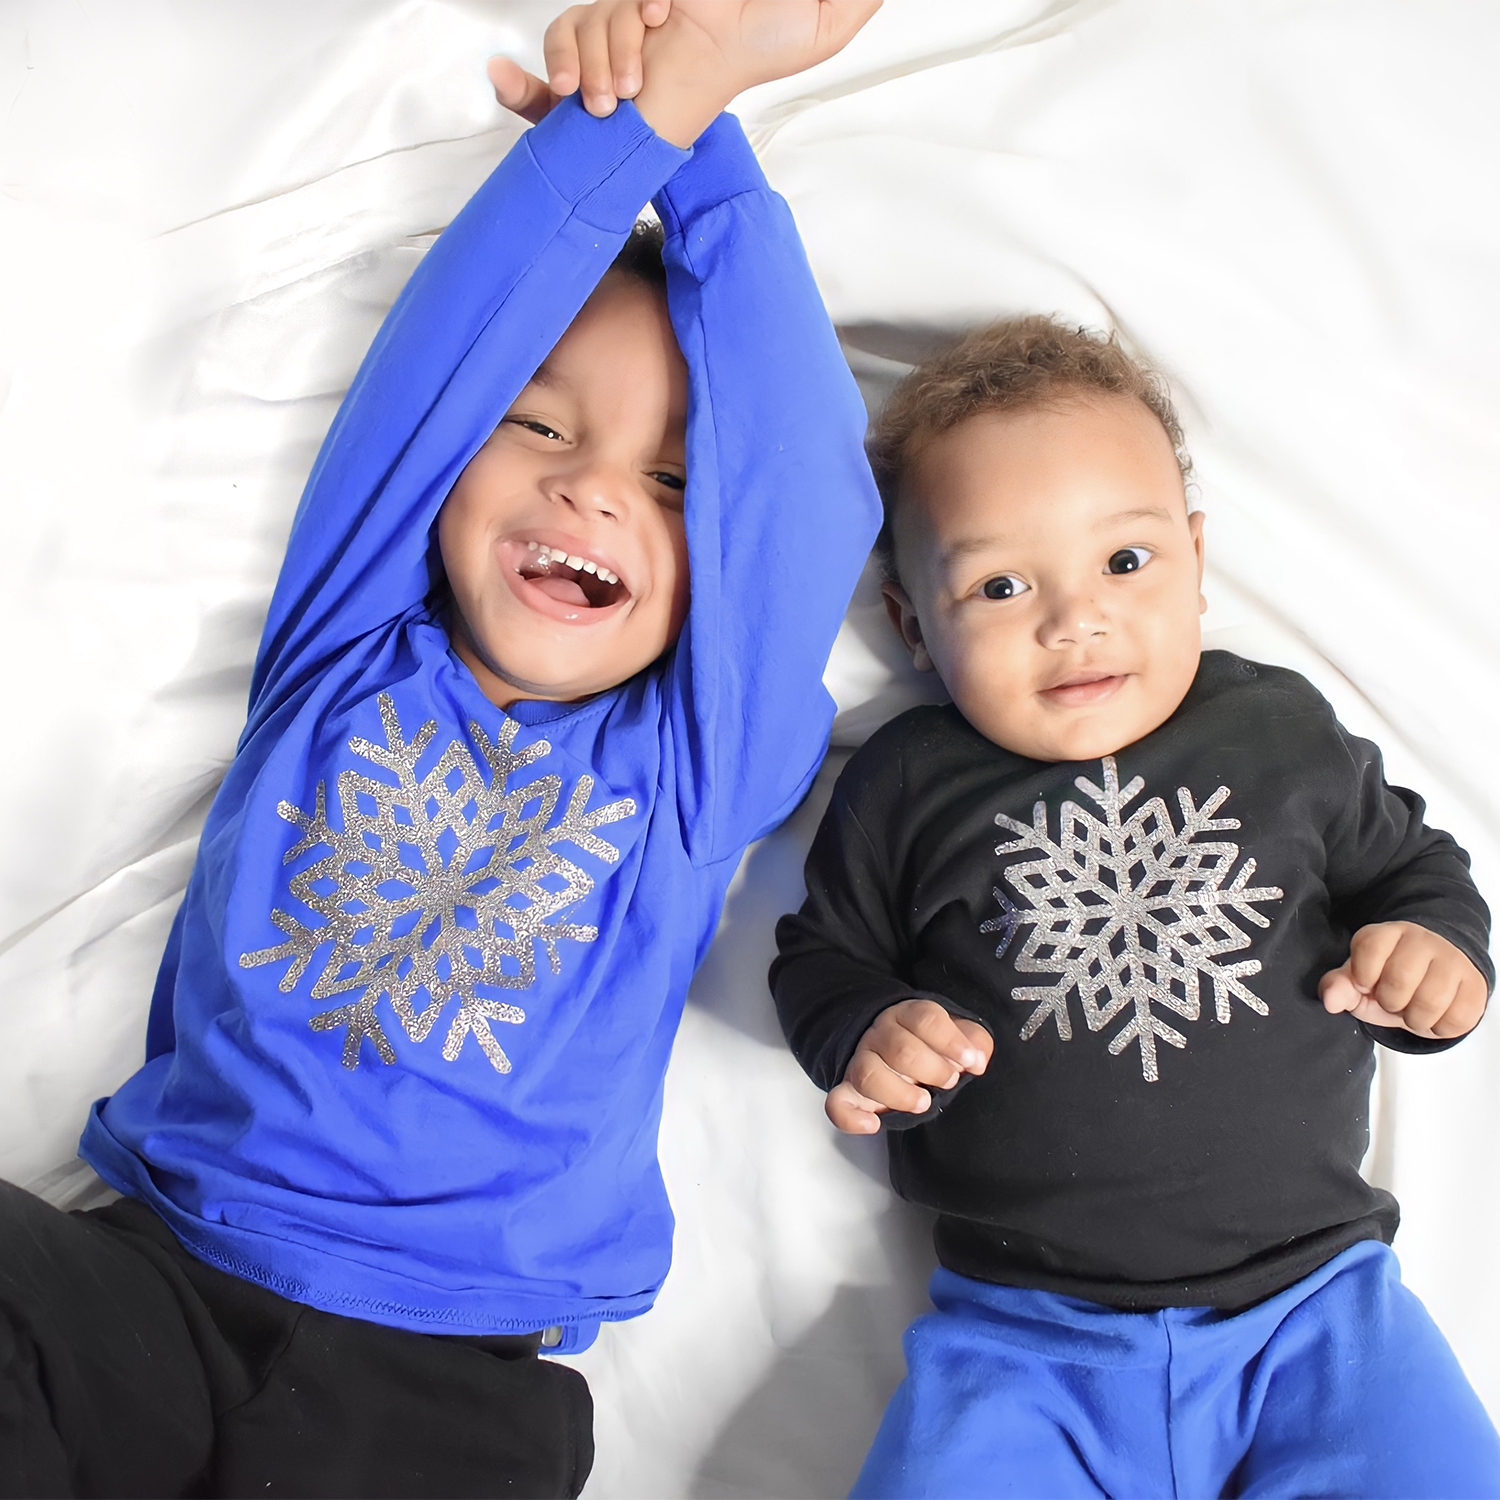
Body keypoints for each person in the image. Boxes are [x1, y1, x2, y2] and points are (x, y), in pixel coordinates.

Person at [0, 2, 883, 1496]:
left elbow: (799, 501)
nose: (593, 491)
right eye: (540, 430)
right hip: (154, 1283)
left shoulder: (690, 766)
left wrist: (710, 138)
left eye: (670, 480)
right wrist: (636, 125)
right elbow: (439, 358)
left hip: (438, 1390)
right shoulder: (343, 647)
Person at [771, 316, 1500, 1498]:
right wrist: (867, 1029)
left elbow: (1414, 868)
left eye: (1125, 562)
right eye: (1001, 585)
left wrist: (1432, 953)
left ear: (1197, 561)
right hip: (1020, 1339)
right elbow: (822, 956)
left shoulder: (1277, 730)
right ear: (912, 623)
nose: (1076, 619)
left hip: (1317, 1311)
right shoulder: (906, 783)